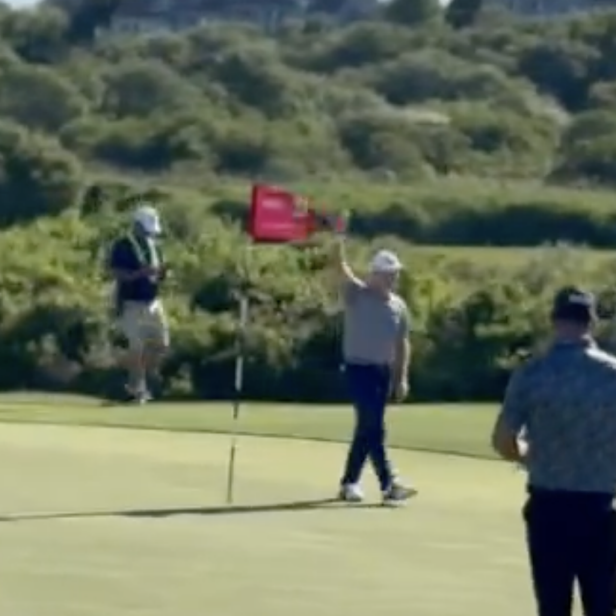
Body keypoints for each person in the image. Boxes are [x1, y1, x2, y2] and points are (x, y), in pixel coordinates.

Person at [491, 286, 616, 616]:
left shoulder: (532, 372)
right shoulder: (612, 374)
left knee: (553, 605)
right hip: (601, 507)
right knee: (602, 604)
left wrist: (526, 455)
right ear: (592, 322)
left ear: (553, 320)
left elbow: (503, 438)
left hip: (549, 504)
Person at [333, 231, 416, 505]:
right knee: (374, 427)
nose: (394, 278)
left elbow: (402, 343)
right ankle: (389, 483)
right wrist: (339, 243)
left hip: (382, 372)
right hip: (358, 369)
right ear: (376, 274)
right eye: (389, 274)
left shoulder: (398, 306)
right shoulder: (358, 294)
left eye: (395, 274)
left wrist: (401, 377)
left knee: (367, 429)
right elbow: (341, 269)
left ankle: (349, 483)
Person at [108, 204, 169, 404]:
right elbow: (117, 273)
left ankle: (138, 384)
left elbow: (159, 272)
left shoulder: (155, 246)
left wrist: (161, 274)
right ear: (136, 225)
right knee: (136, 347)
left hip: (153, 301)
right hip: (131, 302)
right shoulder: (123, 245)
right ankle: (136, 390)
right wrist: (139, 274)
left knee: (161, 345)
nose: (149, 233)